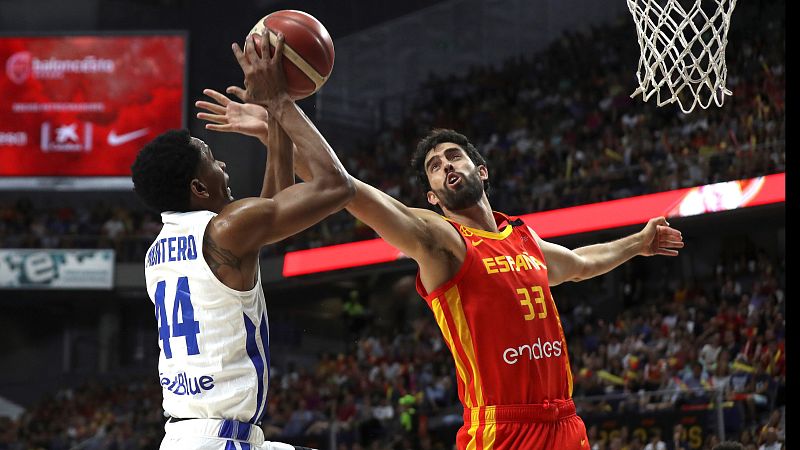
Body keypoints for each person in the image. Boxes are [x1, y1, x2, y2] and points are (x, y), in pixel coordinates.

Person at [198, 107, 684, 450]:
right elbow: (350, 190)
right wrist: (277, 129)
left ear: (481, 171)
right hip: (502, 431)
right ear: (432, 196)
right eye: (434, 167)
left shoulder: (523, 239)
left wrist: (637, 244)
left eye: (453, 156)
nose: (446, 164)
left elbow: (579, 262)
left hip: (565, 421)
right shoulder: (442, 240)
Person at [131, 29, 353, 450]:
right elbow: (336, 186)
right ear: (199, 188)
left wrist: (272, 124)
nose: (224, 166)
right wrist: (280, 101)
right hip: (221, 440)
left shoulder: (159, 252)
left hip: (188, 435)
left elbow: (272, 206)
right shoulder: (225, 229)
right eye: (213, 160)